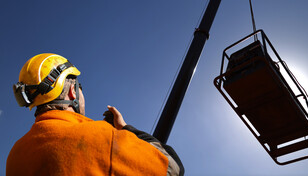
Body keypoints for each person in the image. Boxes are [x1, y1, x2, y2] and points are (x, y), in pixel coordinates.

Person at [7, 53, 184, 176]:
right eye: (80, 87)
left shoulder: (14, 156)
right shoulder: (102, 137)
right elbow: (172, 168)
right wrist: (125, 128)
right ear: (72, 93)